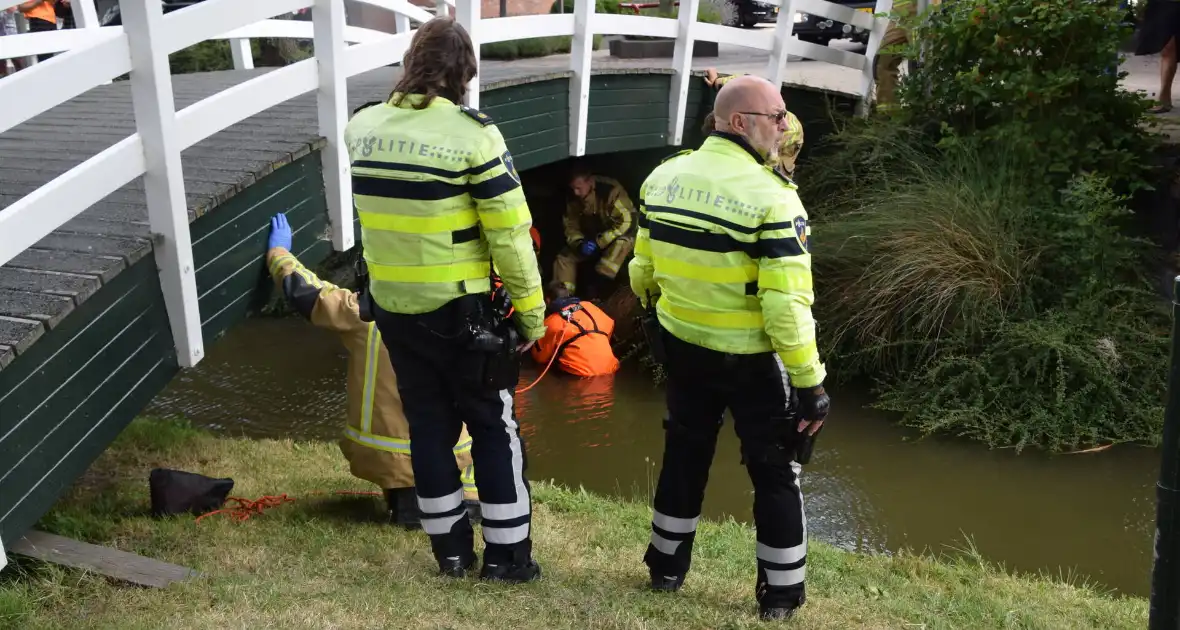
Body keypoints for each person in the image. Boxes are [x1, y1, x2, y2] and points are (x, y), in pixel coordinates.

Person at [343, 17, 546, 583]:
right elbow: (509, 235)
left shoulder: (361, 127)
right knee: (491, 427)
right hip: (461, 311)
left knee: (428, 427)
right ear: (465, 73)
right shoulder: (473, 135)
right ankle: (508, 558)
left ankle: (451, 555)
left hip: (393, 306)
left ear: (411, 61)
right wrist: (532, 313)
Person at [629, 75, 830, 621]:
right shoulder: (773, 199)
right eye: (777, 116)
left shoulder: (663, 179)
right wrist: (810, 384)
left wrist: (661, 315)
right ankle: (781, 597)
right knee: (774, 470)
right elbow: (785, 307)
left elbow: (641, 269)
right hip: (752, 360)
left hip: (683, 347)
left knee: (684, 455)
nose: (785, 126)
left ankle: (665, 569)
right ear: (741, 122)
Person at [263, 213, 480, 528]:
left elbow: (307, 293)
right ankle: (468, 498)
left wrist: (279, 254)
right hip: (454, 450)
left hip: (383, 455)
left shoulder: (362, 315)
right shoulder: (460, 314)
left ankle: (407, 501)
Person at [704, 69, 804, 179]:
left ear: (736, 124)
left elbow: (766, 166)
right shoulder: (730, 99)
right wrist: (716, 81)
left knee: (777, 176)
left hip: (789, 141)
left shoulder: (771, 137)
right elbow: (741, 81)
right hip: (774, 117)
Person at [552, 165, 636, 296]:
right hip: (589, 239)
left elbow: (627, 222)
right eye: (573, 188)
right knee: (564, 257)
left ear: (590, 181)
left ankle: (599, 290)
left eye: (578, 188)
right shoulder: (572, 198)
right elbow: (570, 226)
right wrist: (579, 243)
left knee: (622, 244)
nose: (576, 193)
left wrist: (599, 242)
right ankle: (564, 298)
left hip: (615, 238)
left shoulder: (610, 191)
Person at [530, 286, 620, 378]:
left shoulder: (552, 322)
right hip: (609, 368)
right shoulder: (590, 306)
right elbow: (610, 324)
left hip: (577, 372)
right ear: (569, 295)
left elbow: (539, 358)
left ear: (547, 300)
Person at [1136, 0, 1180, 113]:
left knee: (1170, 48)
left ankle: (1164, 99)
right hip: (1161, 4)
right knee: (1167, 48)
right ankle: (1164, 99)